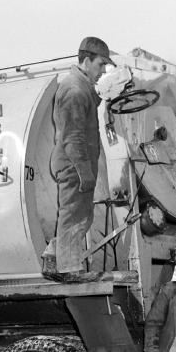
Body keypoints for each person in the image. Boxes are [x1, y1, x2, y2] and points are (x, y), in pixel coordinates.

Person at [44, 36, 114, 283]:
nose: (103, 70)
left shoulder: (79, 87)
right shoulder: (74, 89)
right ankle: (69, 268)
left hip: (73, 163)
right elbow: (72, 137)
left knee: (75, 214)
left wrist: (103, 94)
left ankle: (53, 258)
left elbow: (85, 108)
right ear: (86, 61)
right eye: (100, 65)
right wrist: (85, 172)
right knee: (76, 216)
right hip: (74, 164)